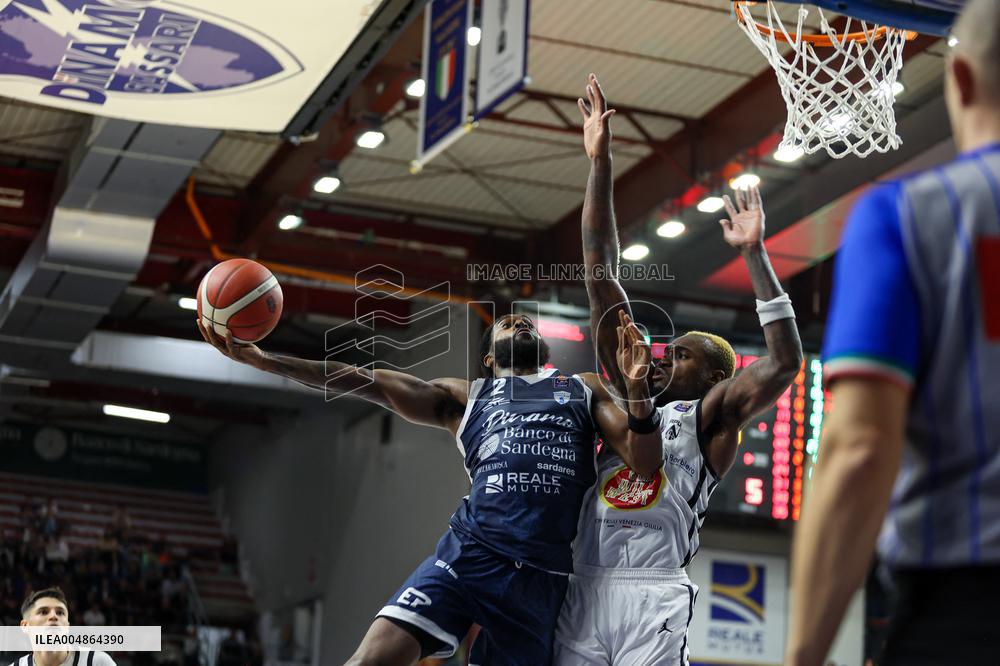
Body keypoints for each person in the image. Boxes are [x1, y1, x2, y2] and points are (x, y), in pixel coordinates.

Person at [198, 306, 665, 665]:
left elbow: (645, 464)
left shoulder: (582, 388)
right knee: (372, 658)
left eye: (526, 323)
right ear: (489, 358)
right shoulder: (465, 397)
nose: (520, 323)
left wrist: (639, 391)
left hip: (542, 577)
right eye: (507, 324)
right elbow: (364, 382)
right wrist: (266, 361)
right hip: (471, 553)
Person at [552, 74, 803, 665]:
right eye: (668, 351)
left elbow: (784, 361)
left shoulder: (710, 415)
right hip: (584, 582)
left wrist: (755, 255)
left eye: (682, 355)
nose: (664, 358)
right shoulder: (626, 396)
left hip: (653, 592)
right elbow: (599, 268)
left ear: (715, 377)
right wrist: (599, 163)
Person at [786, 1, 1000, 664]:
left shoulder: (908, 217)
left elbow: (860, 450)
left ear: (960, 79)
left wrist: (803, 654)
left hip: (968, 610)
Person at [9, 588, 115, 666]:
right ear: (25, 626)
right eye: (44, 612)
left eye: (60, 613)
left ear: (67, 626)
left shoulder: (98, 662)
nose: (54, 616)